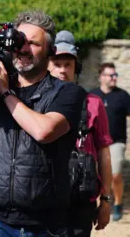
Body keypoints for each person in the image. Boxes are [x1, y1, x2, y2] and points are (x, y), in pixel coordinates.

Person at [0, 11, 87, 236]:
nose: (23, 48)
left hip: (45, 224)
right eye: (18, 41)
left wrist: (5, 91)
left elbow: (44, 131)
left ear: (50, 51)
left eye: (33, 43)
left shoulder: (67, 92)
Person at [48, 30, 112, 235]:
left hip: (81, 200)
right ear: (48, 65)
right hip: (45, 198)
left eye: (68, 65)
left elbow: (104, 152)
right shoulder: (36, 101)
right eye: (57, 64)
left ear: (77, 68)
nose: (62, 70)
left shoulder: (93, 103)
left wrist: (106, 200)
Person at [90, 62, 130, 221]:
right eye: (110, 75)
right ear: (101, 77)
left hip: (116, 142)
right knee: (94, 176)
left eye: (115, 75)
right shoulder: (92, 96)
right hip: (94, 144)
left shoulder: (123, 96)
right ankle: (99, 205)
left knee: (115, 174)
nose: (114, 78)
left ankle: (118, 203)